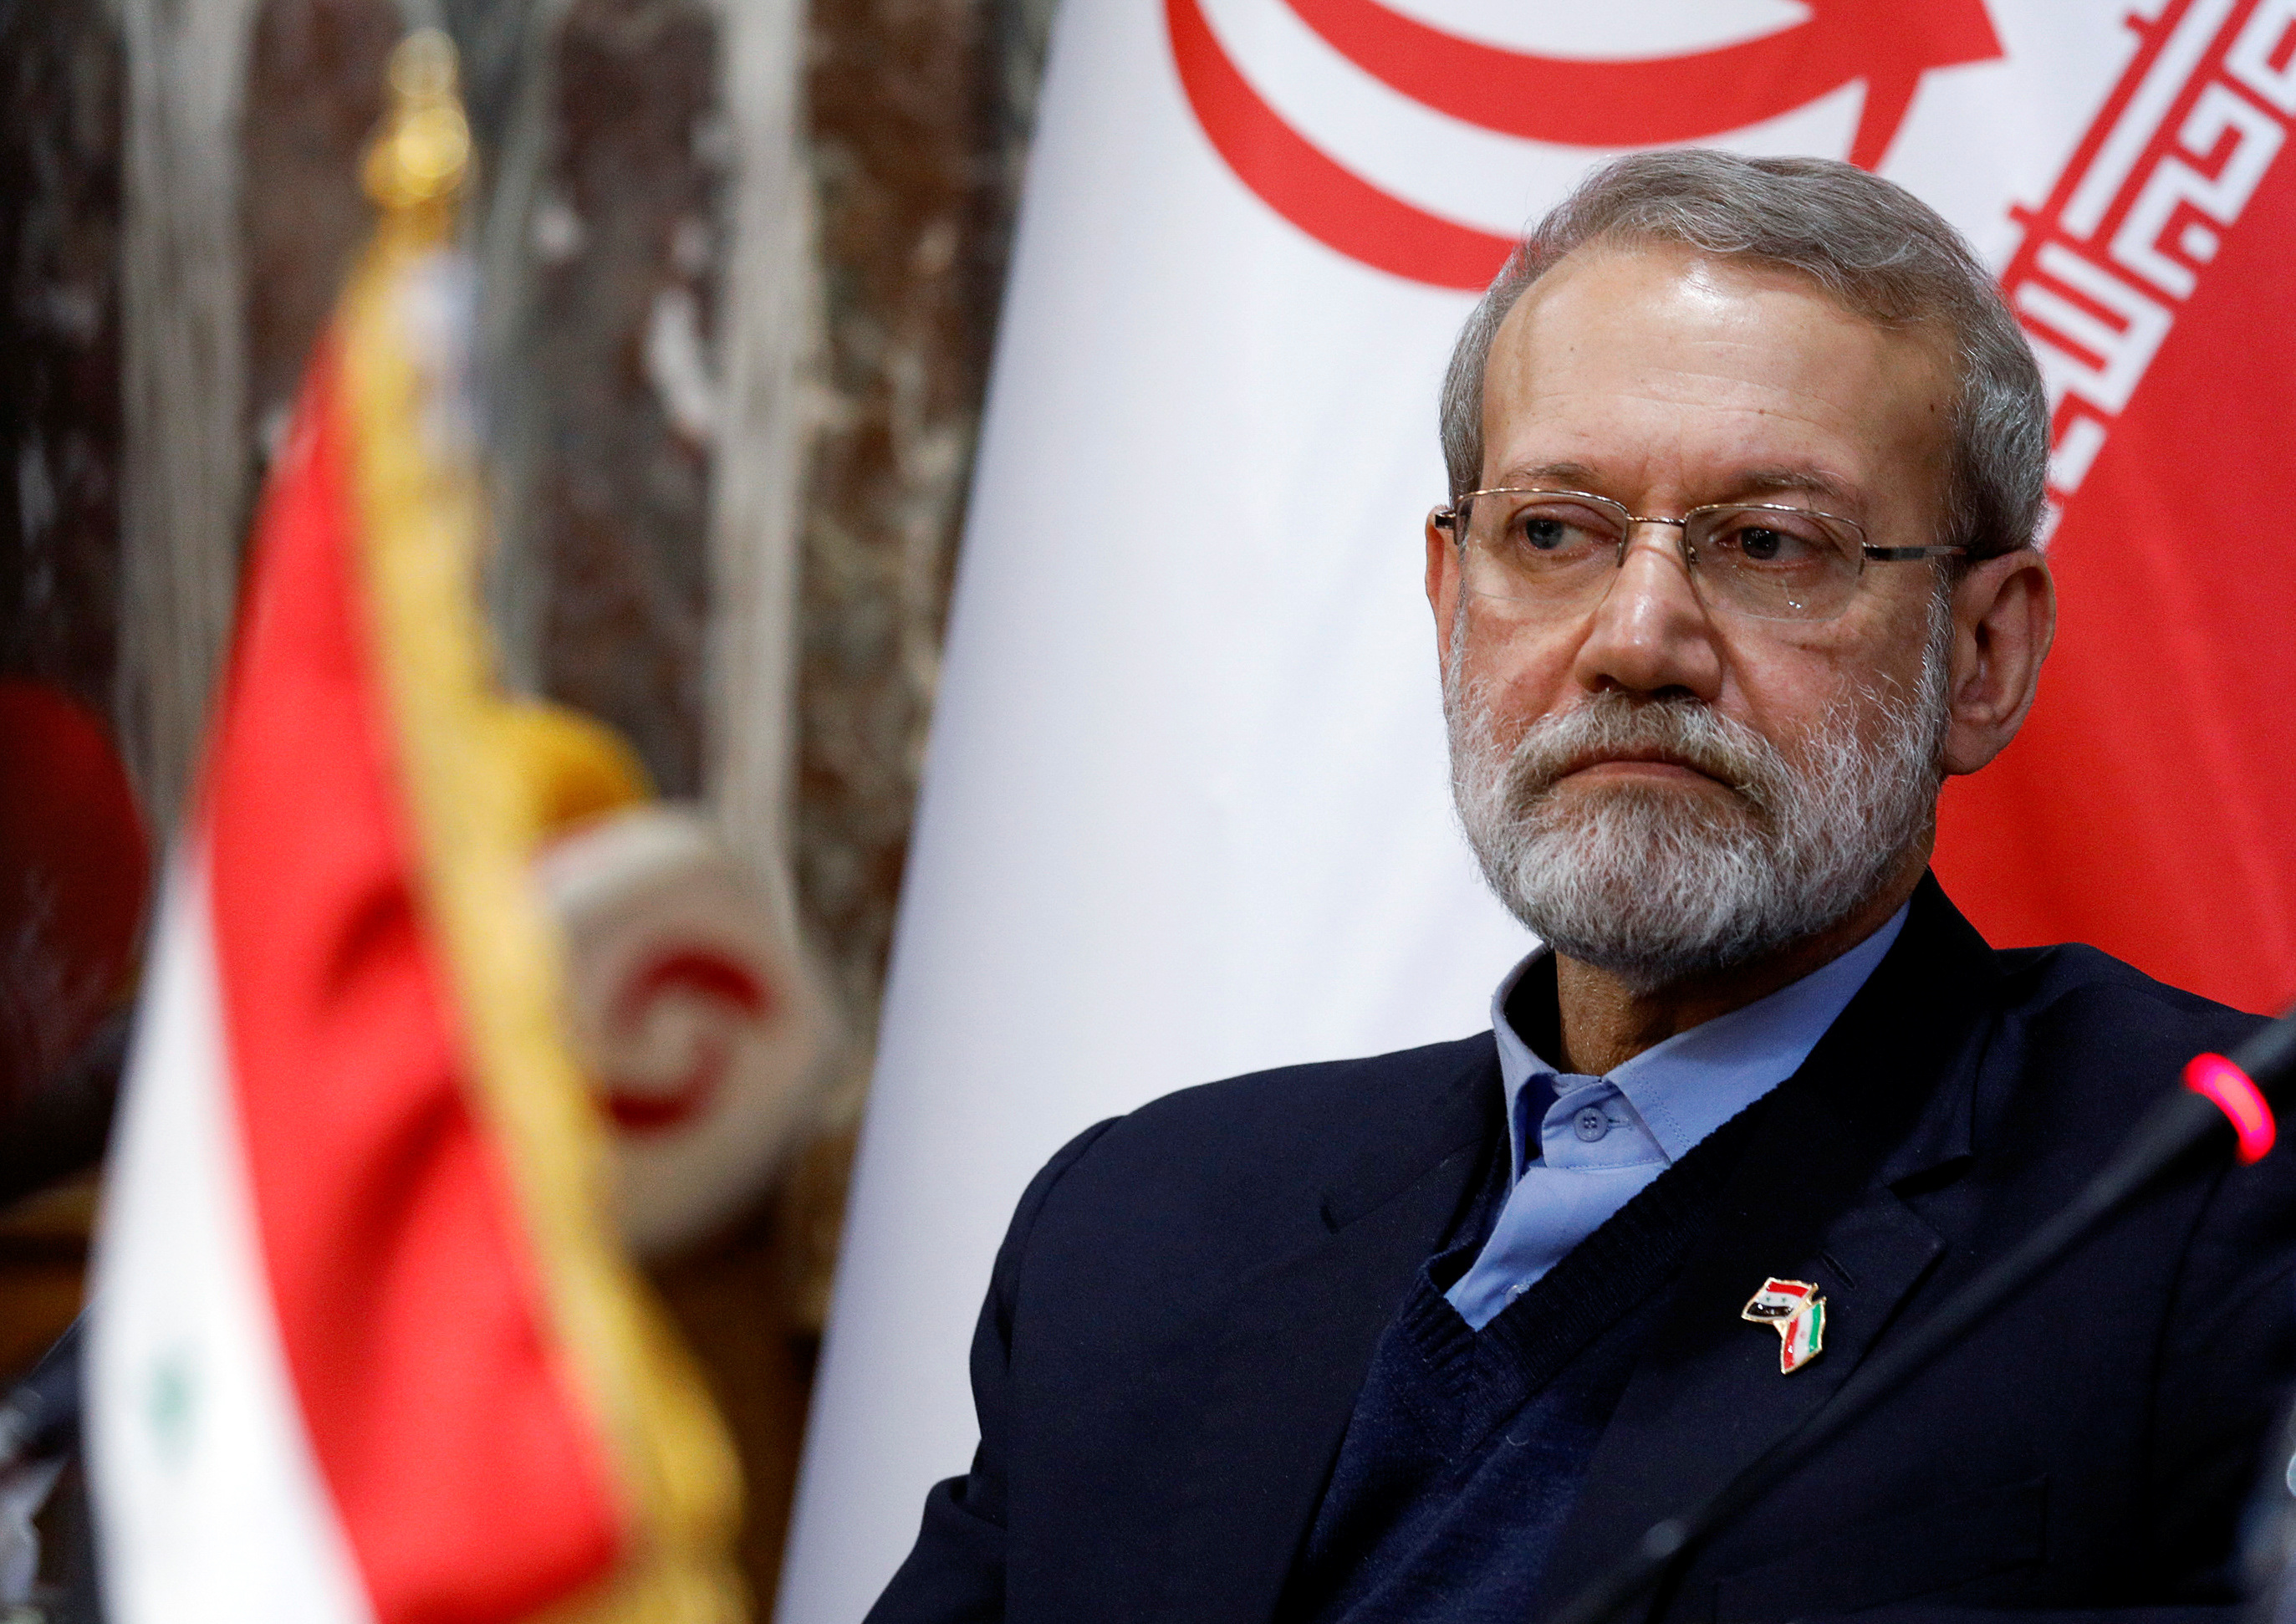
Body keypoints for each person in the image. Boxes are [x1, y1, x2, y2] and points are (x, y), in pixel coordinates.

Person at [865, 151, 2296, 1623]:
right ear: (1448, 600)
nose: (1634, 639)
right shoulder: (1147, 1226)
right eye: (1551, 532)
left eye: (1768, 544)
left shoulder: (2205, 1205)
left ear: (1983, 654)